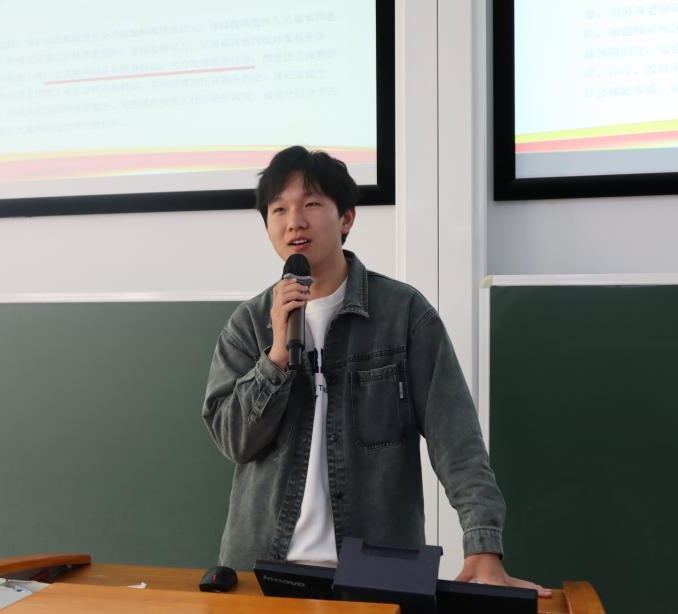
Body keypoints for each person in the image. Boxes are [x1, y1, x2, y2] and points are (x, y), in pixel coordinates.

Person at [202, 145, 549, 594]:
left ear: (346, 218)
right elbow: (234, 441)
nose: (294, 222)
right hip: (262, 572)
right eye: (279, 209)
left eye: (311, 204)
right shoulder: (248, 325)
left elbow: (456, 438)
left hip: (377, 572)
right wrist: (277, 357)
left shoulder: (403, 314)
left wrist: (482, 545)